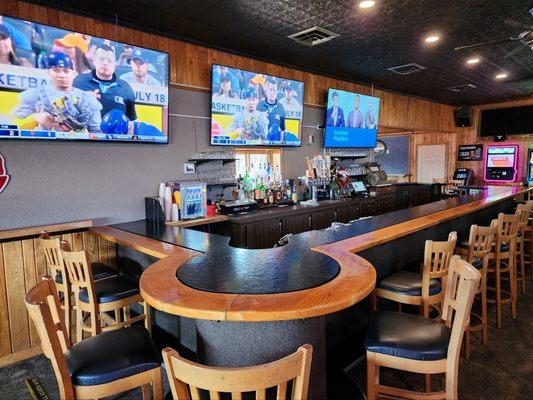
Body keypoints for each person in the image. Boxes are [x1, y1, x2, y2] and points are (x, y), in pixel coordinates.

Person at [13, 52, 102, 133]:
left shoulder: (87, 98)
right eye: (55, 70)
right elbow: (13, 128)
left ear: (74, 74)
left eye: (66, 71)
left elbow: (97, 132)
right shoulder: (35, 94)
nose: (61, 75)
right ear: (48, 72)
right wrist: (34, 118)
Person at [73, 44, 137, 127]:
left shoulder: (126, 88)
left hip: (116, 138)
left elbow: (131, 122)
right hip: (85, 136)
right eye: (101, 59)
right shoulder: (79, 81)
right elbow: (68, 110)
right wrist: (85, 99)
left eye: (109, 61)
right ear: (94, 61)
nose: (105, 63)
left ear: (115, 64)